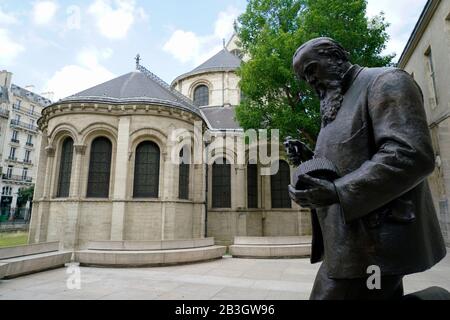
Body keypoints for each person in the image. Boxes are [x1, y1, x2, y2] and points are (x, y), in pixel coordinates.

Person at [288, 37, 447, 300]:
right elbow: (344, 161)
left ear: (335, 58)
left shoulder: (386, 81)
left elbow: (410, 153)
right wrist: (308, 158)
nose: (309, 80)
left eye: (311, 69)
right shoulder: (335, 105)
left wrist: (337, 190)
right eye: (304, 77)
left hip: (376, 244)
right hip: (345, 243)